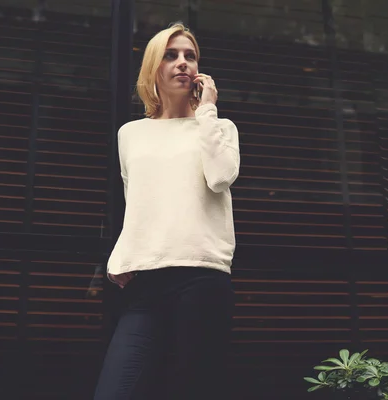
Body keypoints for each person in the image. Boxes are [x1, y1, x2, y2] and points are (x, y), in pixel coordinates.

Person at [93, 22, 240, 400]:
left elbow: (222, 176)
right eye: (171, 55)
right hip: (147, 284)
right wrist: (121, 258)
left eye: (190, 56)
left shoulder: (219, 127)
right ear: (153, 68)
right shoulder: (131, 134)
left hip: (201, 278)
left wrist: (206, 110)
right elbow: (139, 203)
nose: (182, 63)